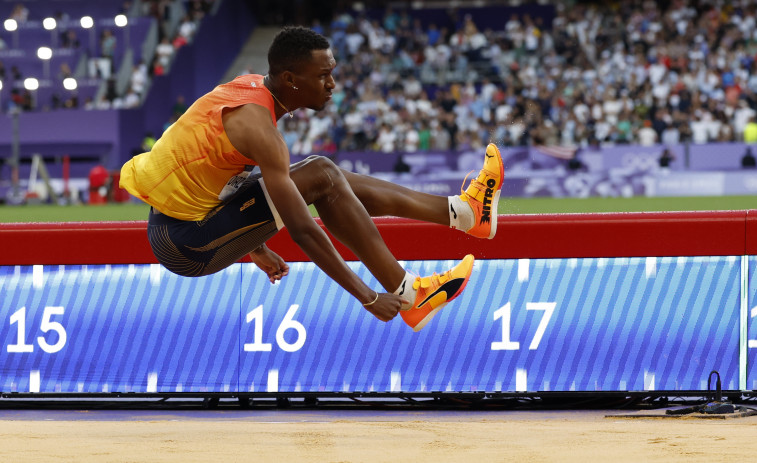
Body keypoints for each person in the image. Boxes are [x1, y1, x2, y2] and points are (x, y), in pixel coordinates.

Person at [119, 26, 504, 332]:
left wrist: (253, 245)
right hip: (185, 244)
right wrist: (368, 297)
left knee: (324, 174)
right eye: (324, 75)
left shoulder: (252, 91)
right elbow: (303, 231)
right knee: (321, 174)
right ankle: (413, 289)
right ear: (291, 79)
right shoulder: (259, 128)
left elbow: (218, 173)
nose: (332, 84)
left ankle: (463, 213)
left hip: (187, 219)